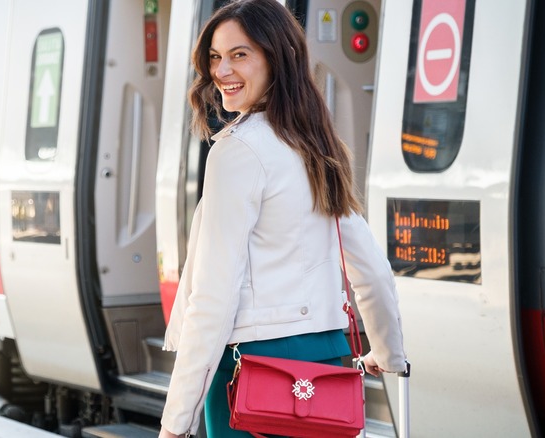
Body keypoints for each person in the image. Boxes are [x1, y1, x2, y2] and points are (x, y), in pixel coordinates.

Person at [159, 0, 406, 436]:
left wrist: (176, 424)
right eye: (216, 57)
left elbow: (213, 300)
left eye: (240, 54)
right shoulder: (315, 147)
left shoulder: (237, 152)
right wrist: (388, 354)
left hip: (253, 377)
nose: (222, 71)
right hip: (328, 366)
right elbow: (372, 269)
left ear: (278, 58)